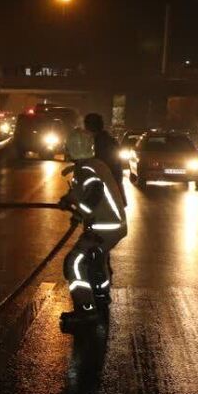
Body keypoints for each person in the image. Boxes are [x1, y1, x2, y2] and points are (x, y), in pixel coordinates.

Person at [58, 127, 127, 332]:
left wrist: (80, 213)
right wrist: (68, 200)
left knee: (75, 262)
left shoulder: (86, 169)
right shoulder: (93, 165)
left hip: (104, 227)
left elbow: (94, 193)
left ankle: (86, 310)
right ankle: (100, 295)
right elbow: (84, 192)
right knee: (98, 259)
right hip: (111, 225)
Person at [83, 112, 126, 206]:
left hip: (105, 190)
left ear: (88, 126)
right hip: (113, 188)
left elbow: (99, 165)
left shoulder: (100, 142)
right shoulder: (108, 140)